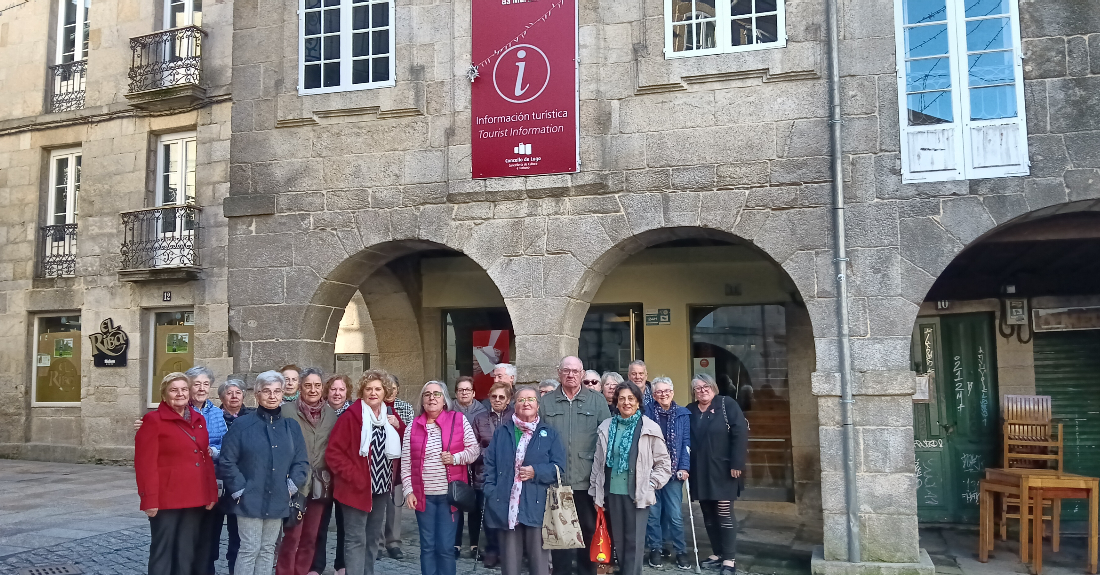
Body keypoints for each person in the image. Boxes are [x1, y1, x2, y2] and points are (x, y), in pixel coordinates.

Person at [219, 371, 310, 575]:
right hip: (248, 498)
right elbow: (227, 460)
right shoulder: (242, 425)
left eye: (277, 391)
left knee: (268, 549)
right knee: (249, 549)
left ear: (283, 394)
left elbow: (301, 461)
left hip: (278, 495)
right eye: (266, 391)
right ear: (257, 395)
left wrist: (291, 486)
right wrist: (240, 489)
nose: (272, 396)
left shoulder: (290, 426)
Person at [135, 372, 218, 575]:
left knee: (187, 550)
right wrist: (149, 499)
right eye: (174, 390)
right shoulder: (153, 421)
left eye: (183, 389)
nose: (180, 394)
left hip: (196, 496)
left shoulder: (199, 419)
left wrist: (211, 493)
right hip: (166, 498)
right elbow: (144, 464)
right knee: (163, 550)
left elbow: (205, 460)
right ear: (164, 395)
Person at [326, 370, 403, 575]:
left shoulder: (389, 417)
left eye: (378, 389)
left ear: (385, 391)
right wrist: (354, 476)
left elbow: (403, 447)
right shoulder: (351, 417)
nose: (373, 393)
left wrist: (400, 427)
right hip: (355, 488)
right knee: (355, 539)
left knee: (372, 538)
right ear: (362, 392)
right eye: (368, 389)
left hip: (381, 488)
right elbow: (333, 453)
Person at [539, 356, 611, 575]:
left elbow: (606, 438)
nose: (571, 375)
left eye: (575, 371)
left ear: (582, 373)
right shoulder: (546, 401)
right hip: (556, 479)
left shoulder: (597, 401)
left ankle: (586, 572)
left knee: (588, 530)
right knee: (559, 532)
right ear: (559, 372)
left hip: (586, 478)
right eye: (566, 370)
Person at [590, 382, 671, 575]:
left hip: (638, 494)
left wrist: (651, 484)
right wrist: (596, 493)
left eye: (631, 399)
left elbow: (664, 464)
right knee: (619, 541)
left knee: (634, 543)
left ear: (638, 402)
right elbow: (598, 463)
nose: (626, 402)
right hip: (612, 492)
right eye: (622, 398)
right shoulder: (606, 426)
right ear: (616, 402)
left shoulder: (649, 427)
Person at [483, 385, 565, 575]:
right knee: (510, 565)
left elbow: (559, 469)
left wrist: (536, 471)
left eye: (531, 399)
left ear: (538, 405)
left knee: (539, 564)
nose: (526, 403)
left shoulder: (549, 433)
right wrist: (491, 490)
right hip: (506, 504)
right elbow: (490, 465)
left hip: (537, 505)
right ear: (515, 404)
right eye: (521, 400)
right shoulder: (502, 432)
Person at [402, 381, 480, 575]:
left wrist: (455, 458)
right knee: (427, 547)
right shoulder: (413, 425)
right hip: (423, 496)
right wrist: (408, 491)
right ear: (422, 400)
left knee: (445, 548)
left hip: (449, 496)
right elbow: (406, 463)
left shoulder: (458, 420)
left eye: (437, 394)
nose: (432, 398)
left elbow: (474, 451)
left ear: (445, 400)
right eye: (427, 394)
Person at [277, 367, 338, 575]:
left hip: (321, 484)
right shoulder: (286, 411)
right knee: (292, 534)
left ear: (323, 388)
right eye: (308, 385)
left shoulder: (331, 414)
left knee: (311, 535)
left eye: (317, 385)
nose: (313, 390)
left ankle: (301, 571)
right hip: (295, 482)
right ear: (301, 387)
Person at [687, 374, 748, 575]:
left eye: (706, 386)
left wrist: (737, 462)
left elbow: (740, 433)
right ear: (694, 391)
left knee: (723, 512)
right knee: (708, 514)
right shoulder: (690, 410)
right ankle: (718, 553)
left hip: (724, 469)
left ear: (714, 387)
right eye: (698, 388)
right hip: (700, 469)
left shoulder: (726, 404)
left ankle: (729, 560)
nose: (702, 390)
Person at [184, 367, 229, 575]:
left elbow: (225, 444)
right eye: (197, 384)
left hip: (212, 477)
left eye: (205, 384)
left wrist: (214, 450)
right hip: (188, 479)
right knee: (189, 529)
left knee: (211, 530)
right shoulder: (181, 411)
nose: (201, 389)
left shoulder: (217, 413)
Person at [643, 377, 692, 570]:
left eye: (666, 391)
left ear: (672, 392)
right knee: (653, 514)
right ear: (653, 394)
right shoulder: (646, 412)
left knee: (675, 515)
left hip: (674, 473)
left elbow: (686, 443)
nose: (663, 394)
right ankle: (655, 548)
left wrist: (684, 467)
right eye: (658, 392)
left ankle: (681, 551)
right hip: (652, 471)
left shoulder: (682, 414)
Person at [312, 374, 354, 575]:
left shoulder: (355, 413)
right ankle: (316, 565)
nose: (337, 394)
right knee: (320, 521)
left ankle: (341, 564)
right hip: (322, 475)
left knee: (345, 523)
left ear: (347, 392)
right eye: (333, 389)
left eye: (341, 390)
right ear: (327, 392)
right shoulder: (318, 412)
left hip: (345, 476)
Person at [470, 382, 515, 567]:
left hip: (510, 475)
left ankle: (507, 550)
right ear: (489, 398)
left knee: (508, 514)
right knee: (488, 513)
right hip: (485, 473)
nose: (497, 400)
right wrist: (491, 453)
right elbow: (473, 446)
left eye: (501, 397)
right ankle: (492, 549)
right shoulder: (480, 418)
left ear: (509, 399)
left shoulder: (515, 417)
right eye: (494, 396)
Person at [217, 379, 253, 575]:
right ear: (222, 397)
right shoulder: (215, 416)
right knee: (210, 533)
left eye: (237, 392)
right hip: (218, 481)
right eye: (229, 393)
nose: (234, 396)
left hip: (240, 482)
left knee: (237, 535)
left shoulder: (252, 416)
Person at [378, 374, 414, 560]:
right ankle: (377, 543)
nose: (390, 391)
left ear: (398, 389)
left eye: (393, 387)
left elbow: (411, 436)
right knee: (377, 505)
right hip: (378, 463)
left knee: (395, 507)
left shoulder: (406, 407)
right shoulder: (375, 406)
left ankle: (393, 542)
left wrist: (399, 424)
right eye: (387, 387)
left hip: (398, 464)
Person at [451, 376, 485, 559]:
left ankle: (475, 544)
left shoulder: (483, 410)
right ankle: (455, 544)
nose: (464, 392)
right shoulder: (448, 410)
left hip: (477, 466)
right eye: (460, 390)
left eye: (467, 390)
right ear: (456, 393)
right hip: (456, 463)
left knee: (475, 507)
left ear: (473, 392)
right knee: (456, 504)